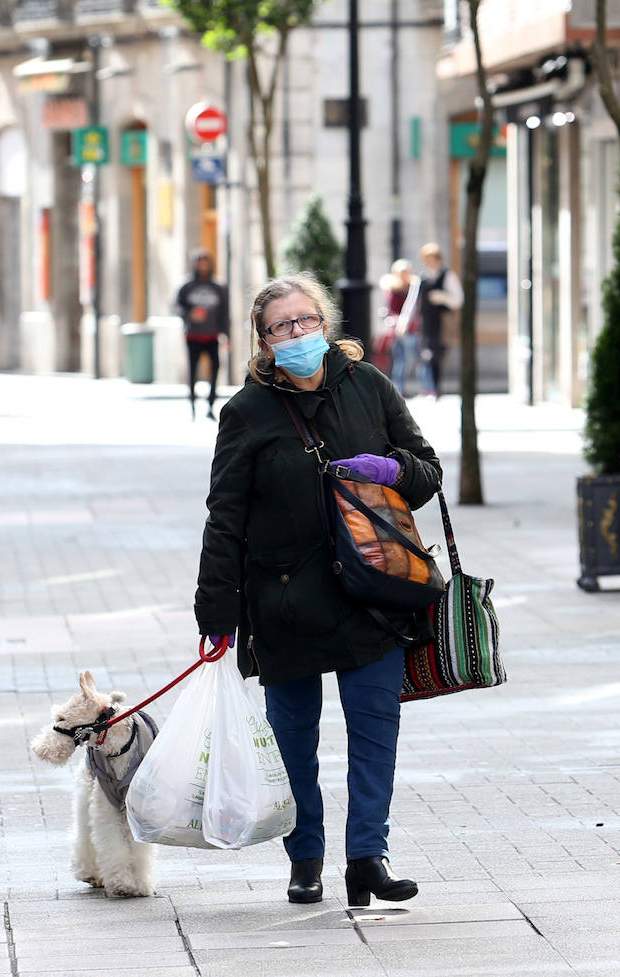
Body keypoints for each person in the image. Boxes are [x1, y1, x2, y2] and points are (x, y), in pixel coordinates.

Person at [193, 272, 442, 907]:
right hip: (284, 602)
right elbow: (225, 517)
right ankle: (306, 860)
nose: (297, 333)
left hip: (370, 592)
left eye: (306, 321)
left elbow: (427, 473)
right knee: (293, 739)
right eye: (282, 326)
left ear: (325, 324)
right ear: (264, 340)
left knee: (374, 731)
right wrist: (217, 612)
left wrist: (392, 470)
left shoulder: (369, 387)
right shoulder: (247, 412)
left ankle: (368, 859)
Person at [173, 248, 231, 420]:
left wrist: (227, 336)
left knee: (215, 370)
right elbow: (176, 307)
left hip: (212, 336)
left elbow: (225, 313)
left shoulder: (218, 287)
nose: (203, 266)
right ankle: (191, 403)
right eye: (200, 263)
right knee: (193, 371)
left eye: (206, 263)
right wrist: (189, 314)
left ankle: (210, 405)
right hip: (193, 336)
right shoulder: (186, 286)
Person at [417, 242, 463, 399]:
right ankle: (431, 388)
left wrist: (442, 297)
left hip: (442, 324)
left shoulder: (448, 275)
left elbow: (458, 300)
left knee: (437, 356)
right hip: (426, 323)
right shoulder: (422, 278)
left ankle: (436, 389)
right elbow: (413, 302)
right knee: (426, 355)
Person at [379, 259, 422, 396]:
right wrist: (399, 322)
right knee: (400, 359)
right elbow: (392, 310)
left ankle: (421, 388)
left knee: (416, 359)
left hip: (413, 328)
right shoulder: (393, 289)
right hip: (398, 329)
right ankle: (399, 389)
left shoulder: (413, 288)